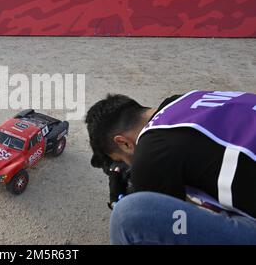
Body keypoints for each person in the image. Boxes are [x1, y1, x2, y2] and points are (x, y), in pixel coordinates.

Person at [85, 90, 256, 244]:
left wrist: (136, 191)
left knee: (129, 216)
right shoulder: (186, 100)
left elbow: (176, 223)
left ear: (123, 143)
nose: (130, 166)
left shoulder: (151, 151)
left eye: (122, 160)